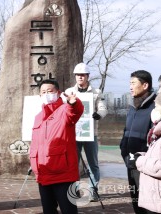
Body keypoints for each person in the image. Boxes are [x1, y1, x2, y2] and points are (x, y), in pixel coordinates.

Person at [29, 79, 84, 214]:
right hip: (43, 173)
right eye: (43, 92)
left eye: (50, 91)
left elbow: (75, 111)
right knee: (48, 210)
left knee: (68, 210)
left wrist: (73, 102)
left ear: (58, 93)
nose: (46, 94)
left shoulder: (65, 110)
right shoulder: (38, 117)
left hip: (63, 173)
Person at [65, 62, 108, 202]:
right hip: (74, 134)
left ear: (88, 76)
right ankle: (74, 190)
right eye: (78, 75)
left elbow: (103, 107)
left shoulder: (96, 92)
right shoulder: (69, 91)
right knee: (73, 163)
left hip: (90, 133)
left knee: (93, 164)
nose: (80, 77)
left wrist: (99, 114)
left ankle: (93, 191)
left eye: (82, 75)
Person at [119, 70, 156, 214]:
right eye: (130, 83)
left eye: (133, 83)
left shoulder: (155, 107)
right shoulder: (132, 106)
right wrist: (123, 149)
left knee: (148, 203)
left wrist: (145, 159)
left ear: (145, 85)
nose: (130, 87)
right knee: (136, 200)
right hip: (131, 161)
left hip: (145, 164)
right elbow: (126, 131)